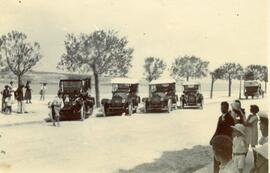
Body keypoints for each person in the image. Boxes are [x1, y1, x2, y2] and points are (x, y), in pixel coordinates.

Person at [210, 101, 235, 173]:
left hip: (225, 142)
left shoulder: (230, 118)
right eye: (221, 107)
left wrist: (224, 139)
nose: (222, 109)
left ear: (227, 108)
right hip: (218, 142)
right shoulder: (220, 118)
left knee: (225, 160)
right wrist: (212, 139)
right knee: (216, 158)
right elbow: (217, 130)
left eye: (223, 107)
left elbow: (230, 131)